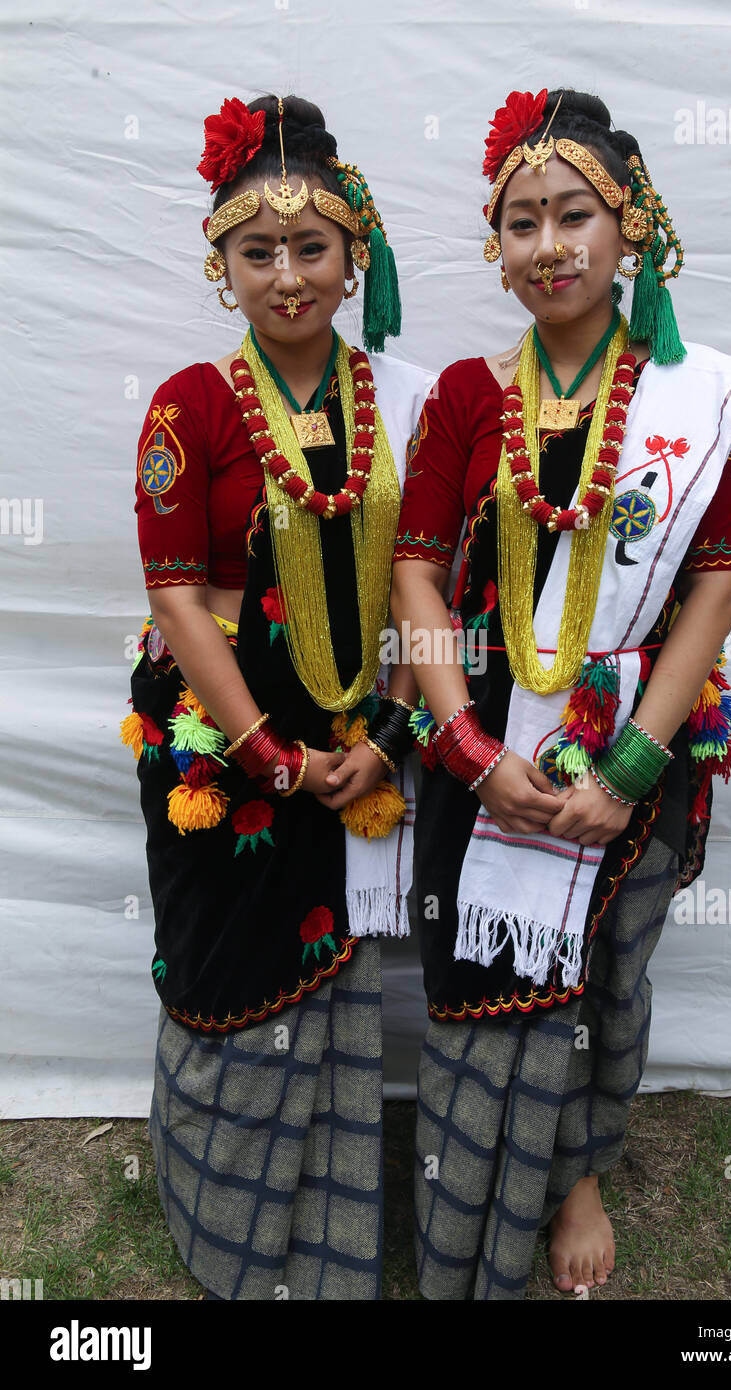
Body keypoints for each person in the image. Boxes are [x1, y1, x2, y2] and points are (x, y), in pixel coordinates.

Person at [390, 87, 731, 1301]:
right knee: (471, 964)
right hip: (480, 732)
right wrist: (462, 744)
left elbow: (708, 597)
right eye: (520, 222)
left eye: (573, 215)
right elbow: (415, 569)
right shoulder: (467, 395)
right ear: (496, 248)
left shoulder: (694, 405)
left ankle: (574, 1178)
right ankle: (462, 1191)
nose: (546, 245)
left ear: (631, 230)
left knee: (607, 971)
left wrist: (624, 773)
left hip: (633, 736)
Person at [121, 92, 433, 1300]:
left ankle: (333, 1239)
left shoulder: (395, 403)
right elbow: (179, 597)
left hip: (353, 748)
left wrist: (387, 736)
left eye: (311, 248)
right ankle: (230, 1236)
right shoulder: (187, 407)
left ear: (356, 254)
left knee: (340, 975)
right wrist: (270, 758)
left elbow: (422, 580)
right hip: (224, 753)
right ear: (222, 267)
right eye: (259, 252)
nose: (288, 276)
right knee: (226, 973)